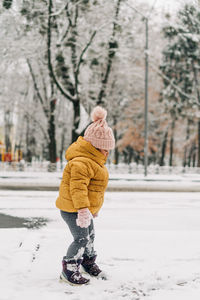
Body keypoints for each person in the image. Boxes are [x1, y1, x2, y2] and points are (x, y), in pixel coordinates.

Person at [56, 106, 115, 285]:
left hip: (82, 209)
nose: (107, 153)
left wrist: (90, 209)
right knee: (81, 238)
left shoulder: (93, 162)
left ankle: (87, 263)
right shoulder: (82, 163)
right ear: (95, 147)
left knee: (90, 236)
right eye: (105, 149)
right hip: (73, 209)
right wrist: (83, 209)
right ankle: (69, 269)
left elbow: (94, 189)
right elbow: (78, 189)